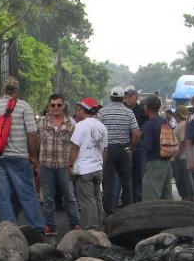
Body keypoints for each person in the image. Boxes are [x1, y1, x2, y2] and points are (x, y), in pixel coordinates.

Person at [0, 77, 45, 230]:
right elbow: (31, 134)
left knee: (3, 196)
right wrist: (33, 156)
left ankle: (8, 230)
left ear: (3, 89)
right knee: (27, 194)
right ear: (17, 90)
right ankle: (37, 228)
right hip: (19, 157)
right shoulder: (23, 106)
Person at [38, 93, 81, 234]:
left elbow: (76, 145)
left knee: (69, 197)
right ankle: (50, 226)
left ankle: (75, 225)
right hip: (46, 164)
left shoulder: (71, 123)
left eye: (59, 105)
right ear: (49, 106)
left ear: (63, 106)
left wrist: (72, 165)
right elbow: (34, 139)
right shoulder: (42, 122)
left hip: (64, 165)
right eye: (53, 105)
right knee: (48, 198)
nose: (56, 108)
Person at [97, 86, 140, 213]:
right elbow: (136, 134)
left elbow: (97, 131)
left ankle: (109, 210)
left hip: (108, 149)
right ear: (123, 98)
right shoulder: (129, 112)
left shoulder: (102, 112)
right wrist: (132, 147)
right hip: (124, 149)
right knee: (126, 180)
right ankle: (128, 208)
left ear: (111, 97)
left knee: (109, 181)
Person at [70, 97, 108, 229]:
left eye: (80, 108)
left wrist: (70, 166)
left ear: (84, 109)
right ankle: (99, 227)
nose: (78, 111)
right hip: (98, 168)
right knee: (97, 198)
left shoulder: (80, 126)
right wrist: (102, 165)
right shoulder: (102, 127)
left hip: (84, 169)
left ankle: (91, 228)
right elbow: (105, 150)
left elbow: (75, 148)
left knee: (87, 201)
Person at [140, 95, 173, 201]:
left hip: (154, 164)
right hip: (167, 164)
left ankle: (153, 218)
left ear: (147, 108)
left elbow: (148, 146)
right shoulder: (164, 122)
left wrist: (140, 140)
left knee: (151, 200)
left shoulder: (149, 124)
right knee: (166, 198)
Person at [124, 86, 147, 204]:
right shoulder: (123, 109)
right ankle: (131, 199)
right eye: (126, 96)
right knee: (129, 173)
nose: (127, 98)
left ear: (136, 98)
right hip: (127, 145)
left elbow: (146, 125)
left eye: (130, 96)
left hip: (140, 146)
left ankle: (140, 198)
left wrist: (140, 132)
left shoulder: (142, 110)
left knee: (140, 172)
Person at [171, 106, 194, 202]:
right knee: (182, 182)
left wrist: (176, 155)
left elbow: (183, 142)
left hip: (181, 158)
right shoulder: (183, 124)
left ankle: (187, 203)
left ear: (178, 115)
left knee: (183, 183)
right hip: (181, 158)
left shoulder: (182, 125)